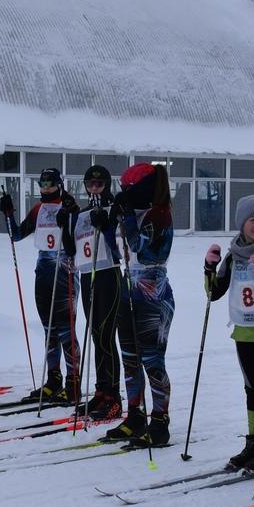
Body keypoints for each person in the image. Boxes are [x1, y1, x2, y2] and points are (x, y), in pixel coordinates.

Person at [203, 195, 254, 473]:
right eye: (253, 220)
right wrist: (209, 267)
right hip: (243, 332)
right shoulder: (234, 255)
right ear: (242, 223)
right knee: (251, 390)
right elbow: (214, 293)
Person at [102, 162, 175, 447]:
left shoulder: (159, 214)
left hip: (152, 293)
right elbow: (119, 251)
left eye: (129, 190)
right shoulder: (134, 212)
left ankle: (160, 421)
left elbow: (141, 250)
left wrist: (127, 216)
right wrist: (107, 225)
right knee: (130, 360)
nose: (125, 195)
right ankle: (135, 416)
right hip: (128, 290)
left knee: (152, 362)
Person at [0, 168, 81, 404]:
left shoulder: (69, 206)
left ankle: (73, 383)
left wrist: (70, 215)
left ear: (59, 184)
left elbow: (78, 240)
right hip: (43, 270)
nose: (45, 188)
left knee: (67, 330)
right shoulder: (38, 209)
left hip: (64, 270)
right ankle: (53, 381)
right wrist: (8, 213)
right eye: (42, 184)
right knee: (49, 331)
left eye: (50, 184)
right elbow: (16, 235)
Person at [74, 165, 124, 421]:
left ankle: (113, 396)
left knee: (106, 336)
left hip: (109, 275)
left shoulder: (115, 209)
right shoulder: (83, 213)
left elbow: (119, 249)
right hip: (87, 275)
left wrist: (105, 225)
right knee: (95, 336)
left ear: (107, 185)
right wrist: (64, 223)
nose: (94, 189)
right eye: (90, 185)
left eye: (100, 185)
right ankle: (102, 391)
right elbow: (73, 247)